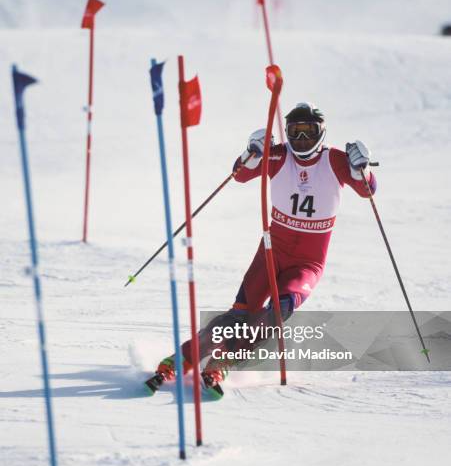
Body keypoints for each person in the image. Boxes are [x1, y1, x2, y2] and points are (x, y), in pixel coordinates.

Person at [146, 102, 376, 397]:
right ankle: (180, 359)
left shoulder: (335, 160)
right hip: (270, 253)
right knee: (237, 317)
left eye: (309, 133)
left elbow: (367, 191)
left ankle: (222, 362)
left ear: (322, 132)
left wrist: (362, 168)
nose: (302, 140)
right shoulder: (279, 156)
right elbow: (240, 175)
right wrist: (252, 151)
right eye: (295, 133)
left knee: (276, 314)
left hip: (306, 264)